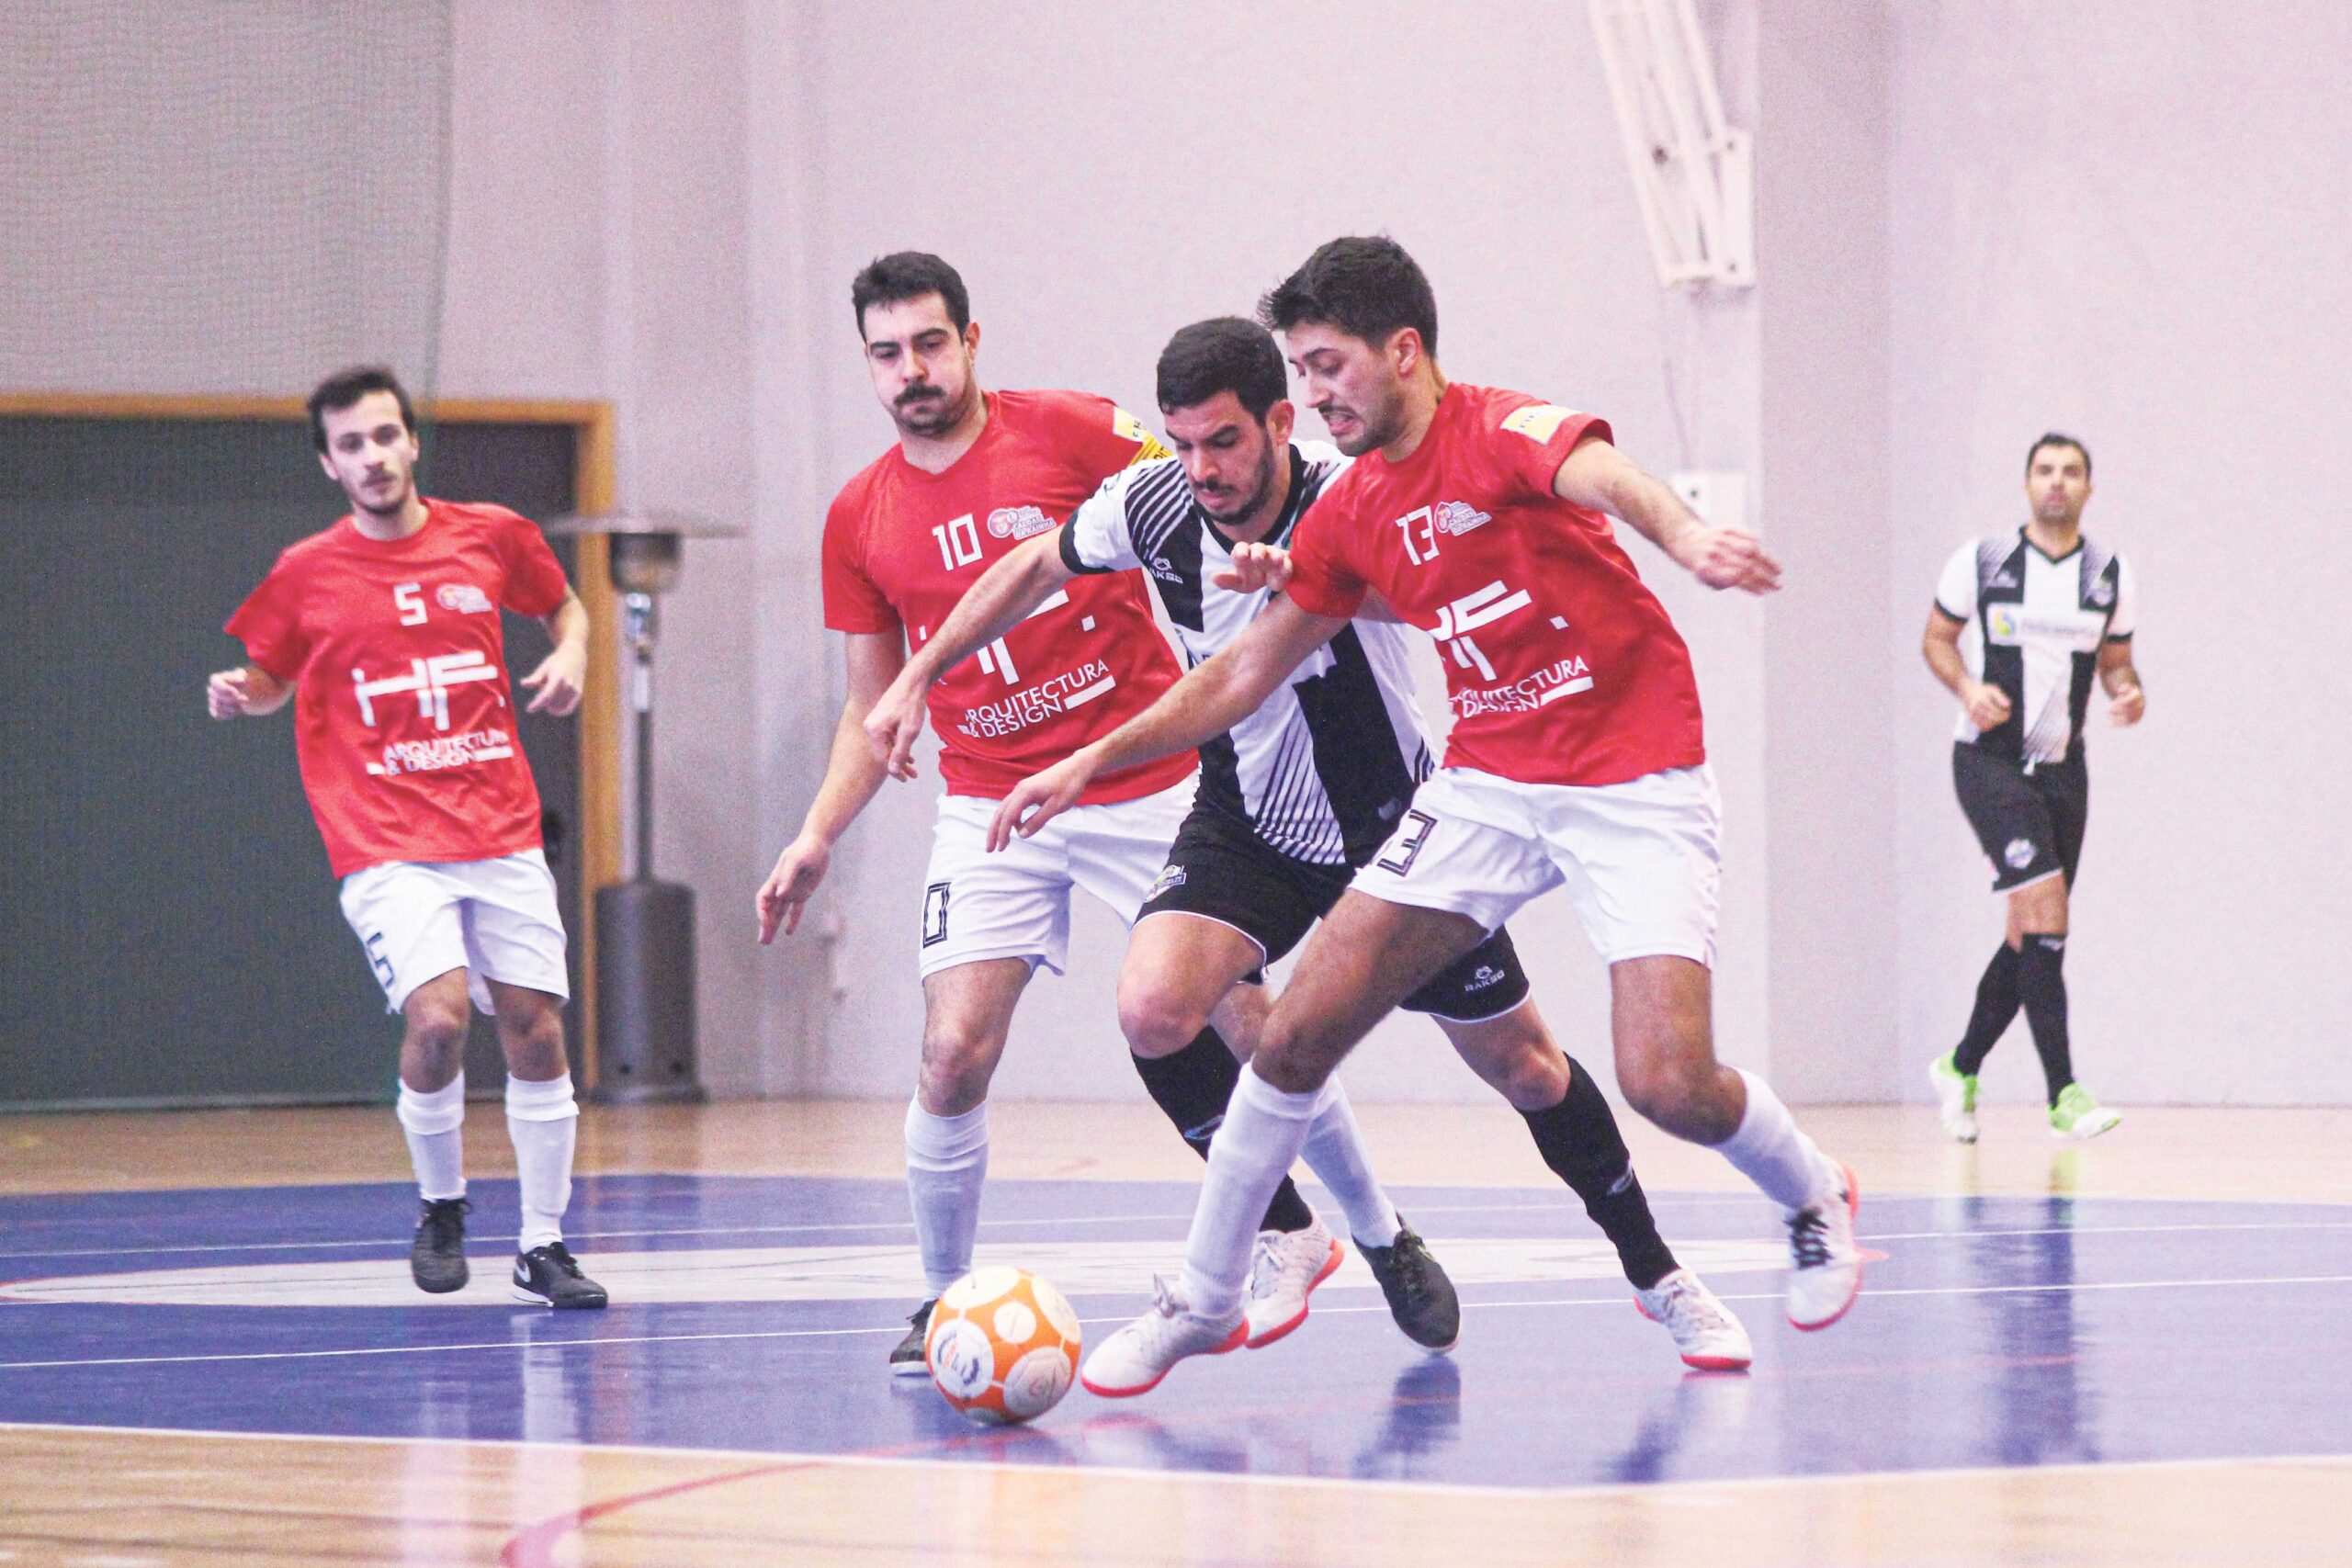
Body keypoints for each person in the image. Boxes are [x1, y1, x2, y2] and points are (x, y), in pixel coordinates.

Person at [987, 237, 1863, 1396]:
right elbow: (1242, 678)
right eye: (1301, 371)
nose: (1317, 394)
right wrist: (1084, 761)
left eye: (1331, 366)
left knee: (1665, 1081)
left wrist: (1687, 536)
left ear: (1404, 352)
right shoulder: (1347, 513)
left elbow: (1602, 474)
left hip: (1631, 775)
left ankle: (1808, 1190)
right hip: (1487, 785)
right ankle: (1208, 1296)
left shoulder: (1497, 431)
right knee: (1294, 1032)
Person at [755, 254, 1446, 1375]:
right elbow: (873, 707)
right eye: (887, 354)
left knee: (1246, 1020)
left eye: (930, 344)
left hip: (1141, 771)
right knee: (950, 1054)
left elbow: (1208, 495)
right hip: (989, 797)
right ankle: (944, 1305)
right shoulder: (858, 518)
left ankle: (1377, 1233)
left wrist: (1278, 583)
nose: (911, 370)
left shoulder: (1077, 432)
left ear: (972, 341)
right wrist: (815, 834)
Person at [208, 366, 605, 1308]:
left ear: (411, 443)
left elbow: (564, 604)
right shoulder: (307, 572)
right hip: (383, 837)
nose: (373, 457)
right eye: (352, 444)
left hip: (498, 825)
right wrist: (242, 694)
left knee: (536, 1028)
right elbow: (270, 675)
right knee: (437, 1020)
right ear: (329, 464)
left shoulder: (490, 536)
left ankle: (543, 1244)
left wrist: (575, 652)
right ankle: (441, 1206)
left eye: (385, 436)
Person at [1923, 434, 2143, 1143]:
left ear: (2088, 487)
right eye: (2045, 470)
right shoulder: (1984, 560)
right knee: (2048, 915)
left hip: (2063, 771)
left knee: (2030, 935)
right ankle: (2064, 1093)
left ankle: (1959, 1067)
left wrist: (2128, 690)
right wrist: (1966, 685)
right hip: (1989, 762)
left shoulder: (2108, 572)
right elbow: (1935, 638)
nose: (2057, 482)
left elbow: (2116, 661)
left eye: (2071, 472)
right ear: (2026, 484)